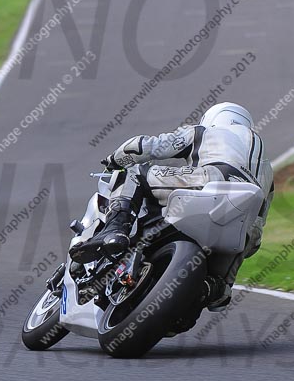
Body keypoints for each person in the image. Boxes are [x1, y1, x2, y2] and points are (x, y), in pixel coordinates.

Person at [70, 102, 274, 309]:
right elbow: (258, 229)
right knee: (219, 291)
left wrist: (115, 158)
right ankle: (210, 290)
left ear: (213, 119)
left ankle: (115, 230)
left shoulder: (205, 131)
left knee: (135, 174)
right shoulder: (267, 168)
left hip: (212, 179)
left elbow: (147, 147)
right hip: (244, 222)